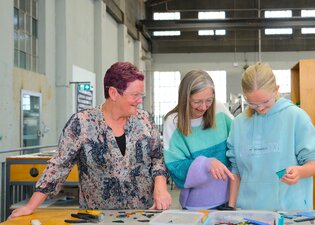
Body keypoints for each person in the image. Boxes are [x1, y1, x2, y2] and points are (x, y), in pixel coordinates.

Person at [8, 62, 172, 219]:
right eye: (135, 95)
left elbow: (157, 157)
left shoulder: (144, 120)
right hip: (97, 217)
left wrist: (161, 187)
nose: (140, 100)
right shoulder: (83, 123)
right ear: (113, 93)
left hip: (142, 214)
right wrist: (31, 206)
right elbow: (58, 167)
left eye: (141, 95)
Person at [226, 62, 315, 210]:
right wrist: (231, 209)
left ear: (276, 89)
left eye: (265, 102)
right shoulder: (238, 124)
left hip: (289, 212)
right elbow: (236, 172)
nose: (261, 108)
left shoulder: (295, 117)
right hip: (248, 212)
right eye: (253, 104)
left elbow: (313, 163)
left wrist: (299, 171)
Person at [163, 70, 234, 210]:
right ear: (185, 98)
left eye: (209, 100)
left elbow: (238, 141)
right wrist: (206, 164)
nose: (203, 107)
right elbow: (175, 166)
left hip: (229, 198)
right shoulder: (172, 122)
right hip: (196, 204)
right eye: (197, 101)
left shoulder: (219, 109)